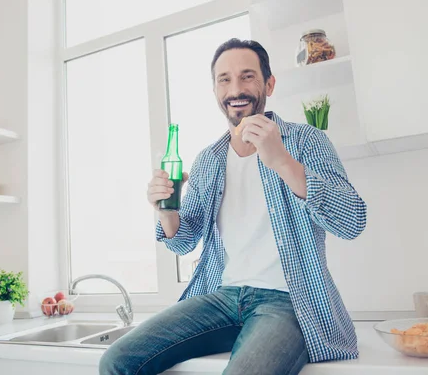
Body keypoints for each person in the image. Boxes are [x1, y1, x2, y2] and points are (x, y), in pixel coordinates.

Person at [99, 38, 367, 375]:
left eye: (247, 76)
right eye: (224, 79)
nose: (235, 88)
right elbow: (184, 241)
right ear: (215, 89)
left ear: (269, 83)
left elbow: (353, 220)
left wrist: (281, 161)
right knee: (117, 360)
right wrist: (166, 211)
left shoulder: (305, 141)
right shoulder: (209, 159)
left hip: (288, 302)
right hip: (223, 298)